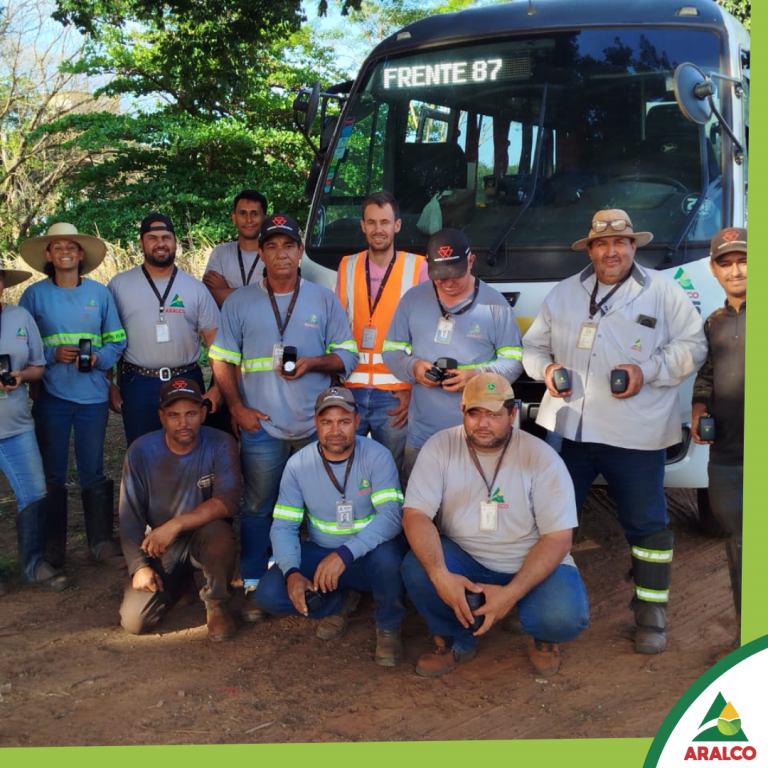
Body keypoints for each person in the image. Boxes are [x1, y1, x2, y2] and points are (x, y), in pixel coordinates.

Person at [522, 208, 707, 654]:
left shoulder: (664, 291)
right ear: (590, 249)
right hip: (569, 433)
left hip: (636, 435)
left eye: (620, 242)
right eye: (602, 244)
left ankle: (651, 615)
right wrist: (545, 368)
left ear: (633, 246)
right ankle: (537, 605)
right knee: (548, 522)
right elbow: (532, 347)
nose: (611, 251)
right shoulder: (564, 293)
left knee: (648, 528)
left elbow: (693, 346)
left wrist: (649, 371)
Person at [209, 213, 358, 622]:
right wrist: (238, 409)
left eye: (287, 246)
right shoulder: (240, 301)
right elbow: (221, 359)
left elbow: (347, 354)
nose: (280, 254)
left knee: (320, 504)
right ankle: (257, 576)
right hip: (263, 426)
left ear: (299, 251)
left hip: (317, 429)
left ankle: (319, 574)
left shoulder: (323, 299)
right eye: (271, 246)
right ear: (261, 253)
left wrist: (312, 363)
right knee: (259, 505)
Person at [401, 373, 589, 677]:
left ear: (512, 414)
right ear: (462, 411)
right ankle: (456, 639)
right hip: (465, 556)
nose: (483, 423)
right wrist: (439, 574)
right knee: (417, 568)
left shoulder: (542, 458)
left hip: (527, 560)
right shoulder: (440, 447)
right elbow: (415, 515)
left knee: (562, 616)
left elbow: (558, 538)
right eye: (474, 413)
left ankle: (543, 637)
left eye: (494, 414)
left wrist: (510, 594)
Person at [254, 386, 407, 666]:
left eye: (344, 421)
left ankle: (388, 625)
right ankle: (338, 602)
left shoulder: (377, 455)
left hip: (366, 556)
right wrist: (291, 571)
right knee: (269, 594)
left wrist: (345, 554)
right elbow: (284, 526)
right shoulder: (299, 464)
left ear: (357, 422)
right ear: (316, 423)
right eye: (327, 422)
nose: (335, 430)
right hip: (322, 552)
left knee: (389, 560)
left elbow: (391, 516)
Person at [19, 223, 127, 569]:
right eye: (57, 247)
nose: (65, 251)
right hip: (51, 396)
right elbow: (23, 345)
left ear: (81, 254)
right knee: (52, 472)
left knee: (92, 469)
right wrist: (52, 356)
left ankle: (101, 543)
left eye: (72, 246)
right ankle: (53, 549)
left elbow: (117, 340)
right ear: (48, 255)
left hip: (92, 396)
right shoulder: (34, 296)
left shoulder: (100, 294)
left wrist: (100, 359)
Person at [382, 228, 523, 481]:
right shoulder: (413, 299)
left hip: (477, 435)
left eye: (455, 275)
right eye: (439, 276)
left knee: (470, 507)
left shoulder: (495, 305)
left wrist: (476, 376)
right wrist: (413, 367)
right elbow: (391, 350)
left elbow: (514, 361)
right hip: (422, 434)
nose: (447, 283)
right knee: (419, 508)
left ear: (470, 261)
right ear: (428, 266)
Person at [118, 378, 241, 641]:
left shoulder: (221, 443)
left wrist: (175, 525)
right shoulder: (140, 451)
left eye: (191, 414)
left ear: (204, 413)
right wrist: (138, 566)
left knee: (220, 534)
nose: (183, 422)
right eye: (173, 415)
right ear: (161, 417)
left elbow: (228, 500)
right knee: (135, 621)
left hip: (201, 537)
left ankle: (217, 603)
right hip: (160, 547)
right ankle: (179, 581)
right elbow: (129, 516)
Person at [107, 213, 221, 446]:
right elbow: (107, 339)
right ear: (141, 243)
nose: (160, 243)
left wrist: (218, 387)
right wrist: (109, 384)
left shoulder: (195, 288)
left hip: (186, 379)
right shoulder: (119, 285)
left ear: (175, 242)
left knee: (188, 448)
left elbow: (215, 341)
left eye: (166, 237)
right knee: (142, 449)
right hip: (138, 382)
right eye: (153, 237)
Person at [335, 192, 428, 475]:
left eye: (385, 222)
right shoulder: (347, 265)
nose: (378, 229)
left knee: (395, 473)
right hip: (352, 388)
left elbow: (424, 334)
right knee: (352, 471)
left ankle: (395, 521)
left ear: (397, 225)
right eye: (372, 222)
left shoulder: (418, 267)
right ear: (362, 226)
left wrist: (412, 388)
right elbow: (337, 329)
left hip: (395, 392)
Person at [0, 265, 68, 594]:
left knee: (35, 493)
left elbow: (38, 367)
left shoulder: (19, 318)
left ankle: (33, 562)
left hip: (15, 426)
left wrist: (20, 377)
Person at [691, 227, 746, 628]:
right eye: (726, 264)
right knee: (739, 545)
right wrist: (698, 406)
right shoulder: (713, 322)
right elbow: (707, 373)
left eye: (744, 261)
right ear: (713, 269)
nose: (737, 271)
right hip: (726, 456)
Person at [203, 189, 268, 308]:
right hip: (229, 326)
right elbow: (211, 297)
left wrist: (226, 290)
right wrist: (258, 292)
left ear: (265, 218)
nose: (249, 220)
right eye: (243, 213)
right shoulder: (220, 253)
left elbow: (273, 297)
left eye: (254, 214)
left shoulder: (272, 254)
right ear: (234, 217)